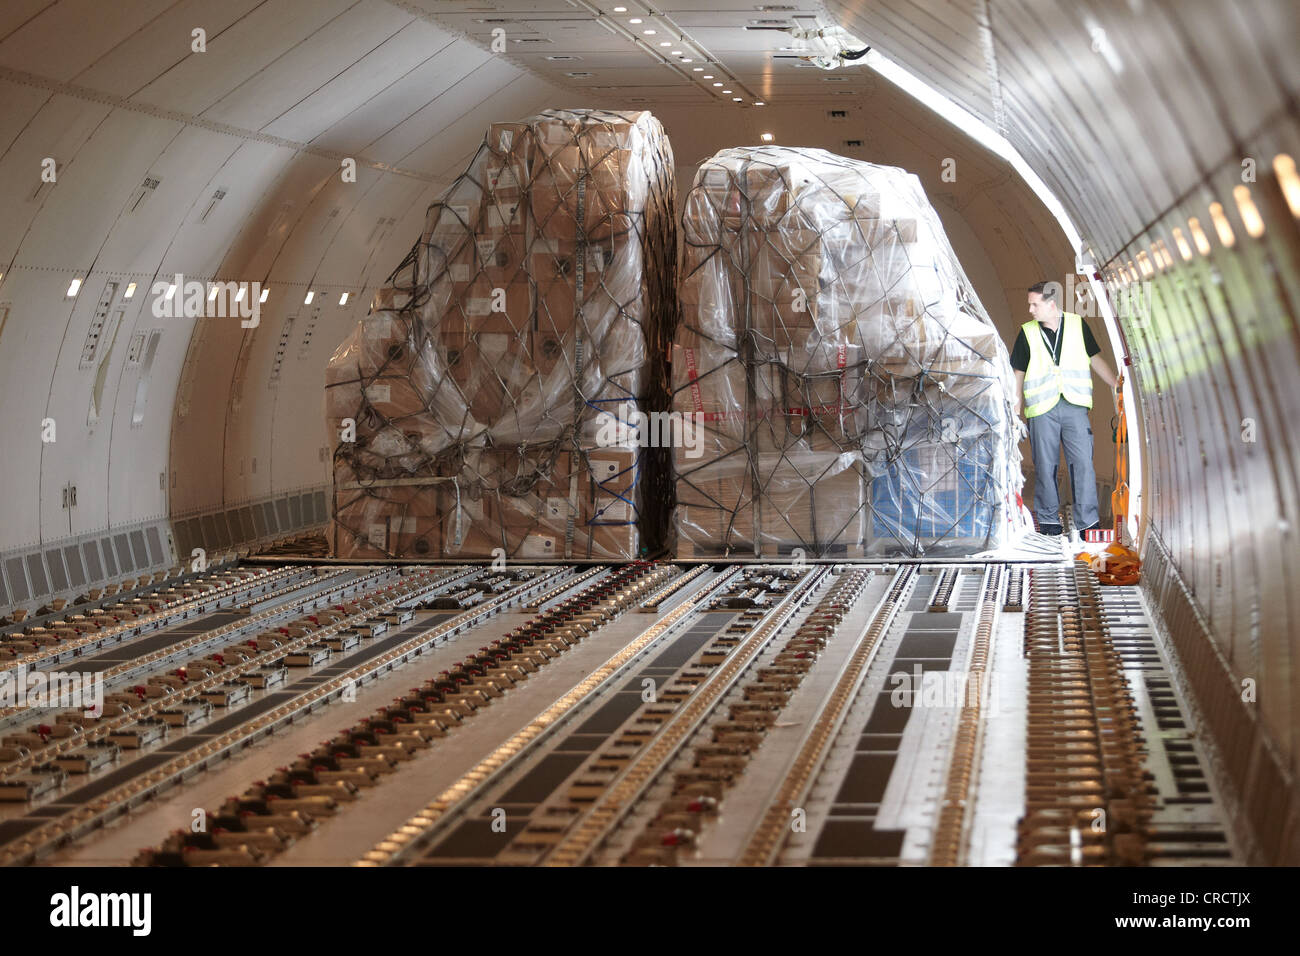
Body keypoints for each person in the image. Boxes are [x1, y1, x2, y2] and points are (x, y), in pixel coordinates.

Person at [1010, 281, 1120, 536]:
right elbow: (1019, 371)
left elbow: (1094, 358)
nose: (1030, 310)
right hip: (1042, 409)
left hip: (1074, 405)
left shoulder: (1077, 325)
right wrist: (1017, 405)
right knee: (1046, 465)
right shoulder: (1027, 332)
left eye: (1034, 304)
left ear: (1051, 304)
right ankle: (1049, 520)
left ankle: (1088, 522)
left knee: (1082, 463)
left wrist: (1115, 383)